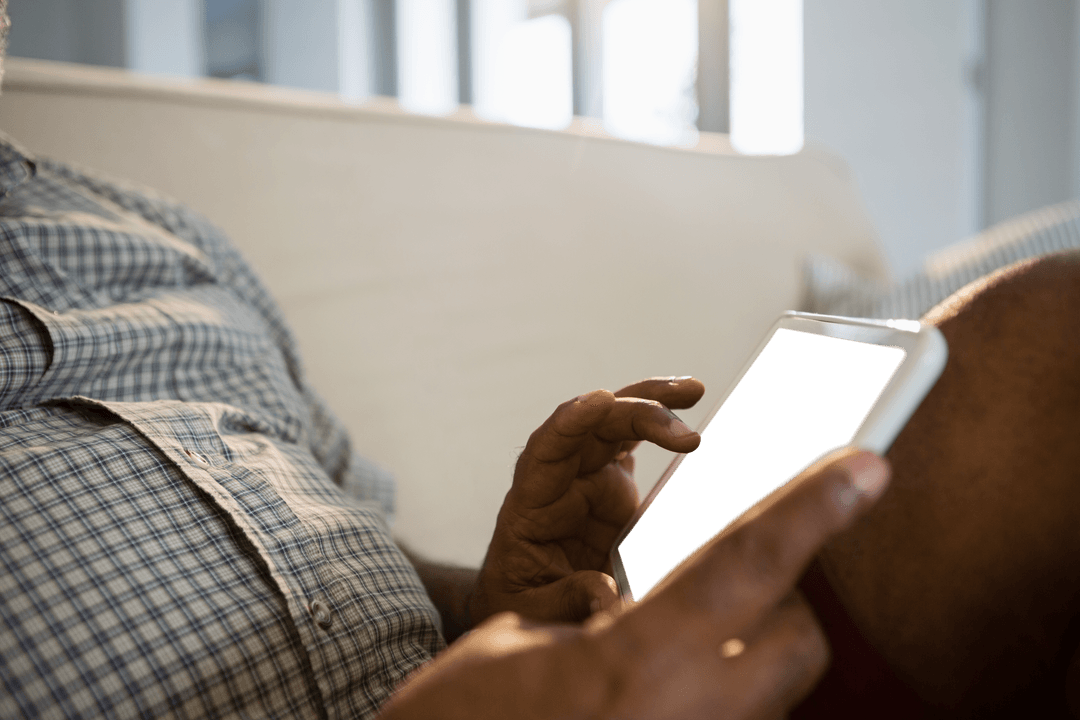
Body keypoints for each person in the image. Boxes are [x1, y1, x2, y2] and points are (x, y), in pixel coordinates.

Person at [1, 2, 1078, 716]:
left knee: (1046, 332)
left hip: (596, 685)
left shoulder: (153, 232)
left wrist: (493, 600)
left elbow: (352, 522)